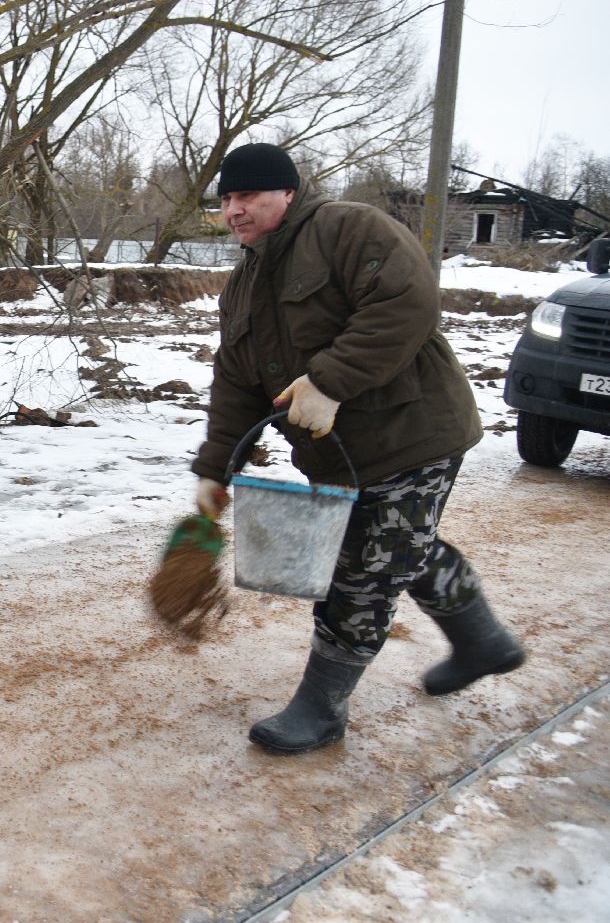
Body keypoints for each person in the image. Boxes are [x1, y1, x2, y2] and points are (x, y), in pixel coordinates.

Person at [190, 142, 525, 755]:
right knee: (402, 545)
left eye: (247, 196)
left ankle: (321, 709)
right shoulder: (242, 285)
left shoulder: (347, 229)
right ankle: (482, 642)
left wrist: (328, 381)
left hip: (412, 432)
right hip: (338, 453)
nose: (234, 210)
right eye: (227, 200)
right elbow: (237, 382)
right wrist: (215, 469)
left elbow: (408, 301)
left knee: (364, 569)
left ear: (286, 193)